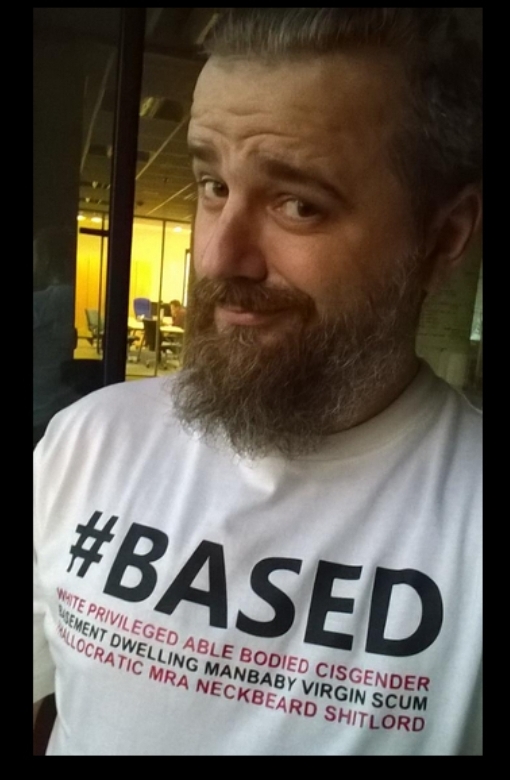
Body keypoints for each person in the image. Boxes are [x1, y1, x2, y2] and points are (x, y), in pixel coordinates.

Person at [34, 9, 482, 756]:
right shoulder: (84, 444)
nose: (217, 257)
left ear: (443, 238)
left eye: (298, 205)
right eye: (213, 185)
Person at [33, 226, 79, 448]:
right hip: (58, 402)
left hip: (40, 405)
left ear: (45, 260)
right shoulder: (70, 297)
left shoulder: (47, 301)